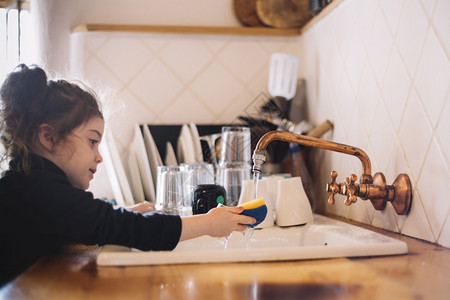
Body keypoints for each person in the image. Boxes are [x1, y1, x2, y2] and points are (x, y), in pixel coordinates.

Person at [0, 64, 255, 286]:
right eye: (92, 141)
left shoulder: (29, 184)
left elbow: (92, 220)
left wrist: (128, 212)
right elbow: (127, 229)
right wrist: (209, 224)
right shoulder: (40, 191)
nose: (99, 156)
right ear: (49, 137)